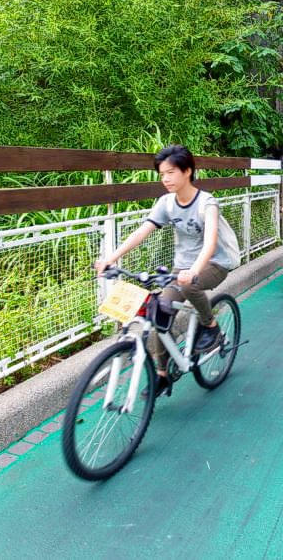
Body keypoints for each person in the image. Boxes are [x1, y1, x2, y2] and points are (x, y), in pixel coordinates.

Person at [95, 144, 240, 397]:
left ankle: (211, 325)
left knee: (188, 284)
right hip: (182, 267)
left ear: (187, 171)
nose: (165, 179)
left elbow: (210, 243)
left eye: (171, 172)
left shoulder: (207, 203)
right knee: (159, 310)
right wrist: (111, 259)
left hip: (215, 263)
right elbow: (143, 231)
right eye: (162, 174)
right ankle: (162, 375)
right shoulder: (166, 202)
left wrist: (193, 270)